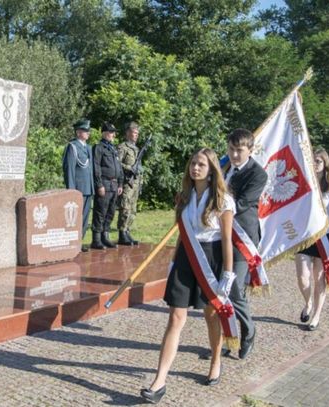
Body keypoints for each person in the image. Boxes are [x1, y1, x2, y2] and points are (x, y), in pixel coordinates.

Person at [141, 148, 235, 403]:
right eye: (193, 163)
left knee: (211, 315)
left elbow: (227, 239)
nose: (195, 168)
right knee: (175, 317)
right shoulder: (184, 196)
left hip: (211, 258)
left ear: (212, 169)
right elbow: (182, 234)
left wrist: (228, 274)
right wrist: (173, 263)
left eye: (201, 164)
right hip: (185, 258)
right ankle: (159, 381)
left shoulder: (224, 200)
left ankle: (216, 359)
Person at [223, 128, 268, 360]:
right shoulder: (223, 167)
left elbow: (241, 204)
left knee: (234, 288)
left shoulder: (257, 174)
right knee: (220, 288)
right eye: (231, 149)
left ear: (250, 150)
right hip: (220, 235)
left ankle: (248, 330)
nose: (234, 155)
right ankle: (228, 336)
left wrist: (214, 203)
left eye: (239, 150)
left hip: (242, 238)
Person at [295, 148, 329, 331]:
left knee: (319, 277)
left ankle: (316, 315)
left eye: (318, 161)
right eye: (312, 160)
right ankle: (308, 303)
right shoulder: (304, 183)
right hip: (305, 236)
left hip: (324, 237)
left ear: (325, 164)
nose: (315, 164)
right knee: (302, 277)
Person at [62, 119, 95, 252]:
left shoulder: (88, 148)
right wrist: (71, 190)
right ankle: (72, 243)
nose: (88, 133)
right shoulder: (73, 146)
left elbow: (90, 169)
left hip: (88, 187)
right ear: (78, 132)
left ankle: (79, 242)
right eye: (86, 131)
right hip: (78, 188)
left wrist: (93, 186)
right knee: (74, 218)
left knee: (85, 217)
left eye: (88, 131)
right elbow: (69, 169)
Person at [91, 122, 123, 250]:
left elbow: (118, 167)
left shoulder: (113, 149)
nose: (113, 134)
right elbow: (96, 167)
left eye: (113, 132)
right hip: (104, 183)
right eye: (110, 132)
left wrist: (120, 183)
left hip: (114, 184)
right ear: (104, 133)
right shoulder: (98, 148)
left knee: (110, 212)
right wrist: (99, 184)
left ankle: (105, 236)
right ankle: (96, 239)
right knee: (100, 211)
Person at [117, 121, 141, 246]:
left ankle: (127, 231)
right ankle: (122, 233)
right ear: (127, 133)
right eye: (134, 132)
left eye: (137, 133)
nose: (136, 135)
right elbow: (117, 163)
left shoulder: (136, 149)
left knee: (133, 209)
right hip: (127, 182)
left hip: (135, 183)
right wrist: (129, 168)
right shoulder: (123, 147)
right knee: (125, 208)